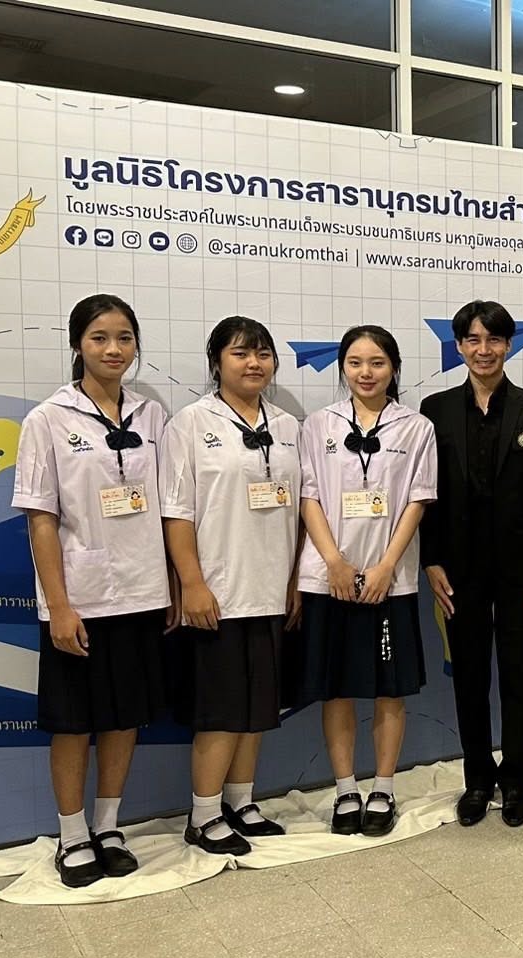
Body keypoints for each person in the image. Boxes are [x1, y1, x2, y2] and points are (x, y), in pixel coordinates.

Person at [11, 294, 174, 888]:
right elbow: (40, 518)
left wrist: (171, 583)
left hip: (142, 590)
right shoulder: (48, 419)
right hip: (79, 596)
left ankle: (108, 826)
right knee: (74, 723)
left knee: (124, 718)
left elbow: (168, 506)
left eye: (124, 338)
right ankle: (72, 833)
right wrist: (58, 606)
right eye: (100, 337)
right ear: (78, 344)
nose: (113, 349)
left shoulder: (152, 415)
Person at [285, 326, 438, 837]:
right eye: (354, 363)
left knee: (389, 691)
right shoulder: (318, 425)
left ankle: (384, 787)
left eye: (377, 363)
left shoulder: (416, 428)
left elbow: (418, 500)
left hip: (388, 580)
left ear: (393, 368)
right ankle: (346, 788)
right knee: (337, 690)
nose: (365, 373)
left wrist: (387, 566)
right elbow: (308, 496)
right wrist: (332, 561)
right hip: (329, 579)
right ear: (342, 368)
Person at [159, 316, 302, 856]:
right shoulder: (191, 423)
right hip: (217, 592)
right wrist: (191, 583)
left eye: (263, 353)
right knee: (219, 712)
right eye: (241, 353)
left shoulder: (287, 426)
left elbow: (299, 509)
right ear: (217, 361)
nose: (254, 363)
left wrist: (294, 579)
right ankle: (202, 815)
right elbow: (176, 512)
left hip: (270, 588)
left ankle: (240, 802)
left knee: (257, 709)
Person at [420, 301, 523, 828]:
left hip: (522, 570)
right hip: (459, 570)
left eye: (494, 340)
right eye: (473, 340)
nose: (484, 350)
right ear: (459, 347)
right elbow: (426, 494)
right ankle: (477, 779)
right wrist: (431, 559)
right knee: (470, 677)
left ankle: (516, 779)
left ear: (508, 345)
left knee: (519, 675)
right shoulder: (435, 410)